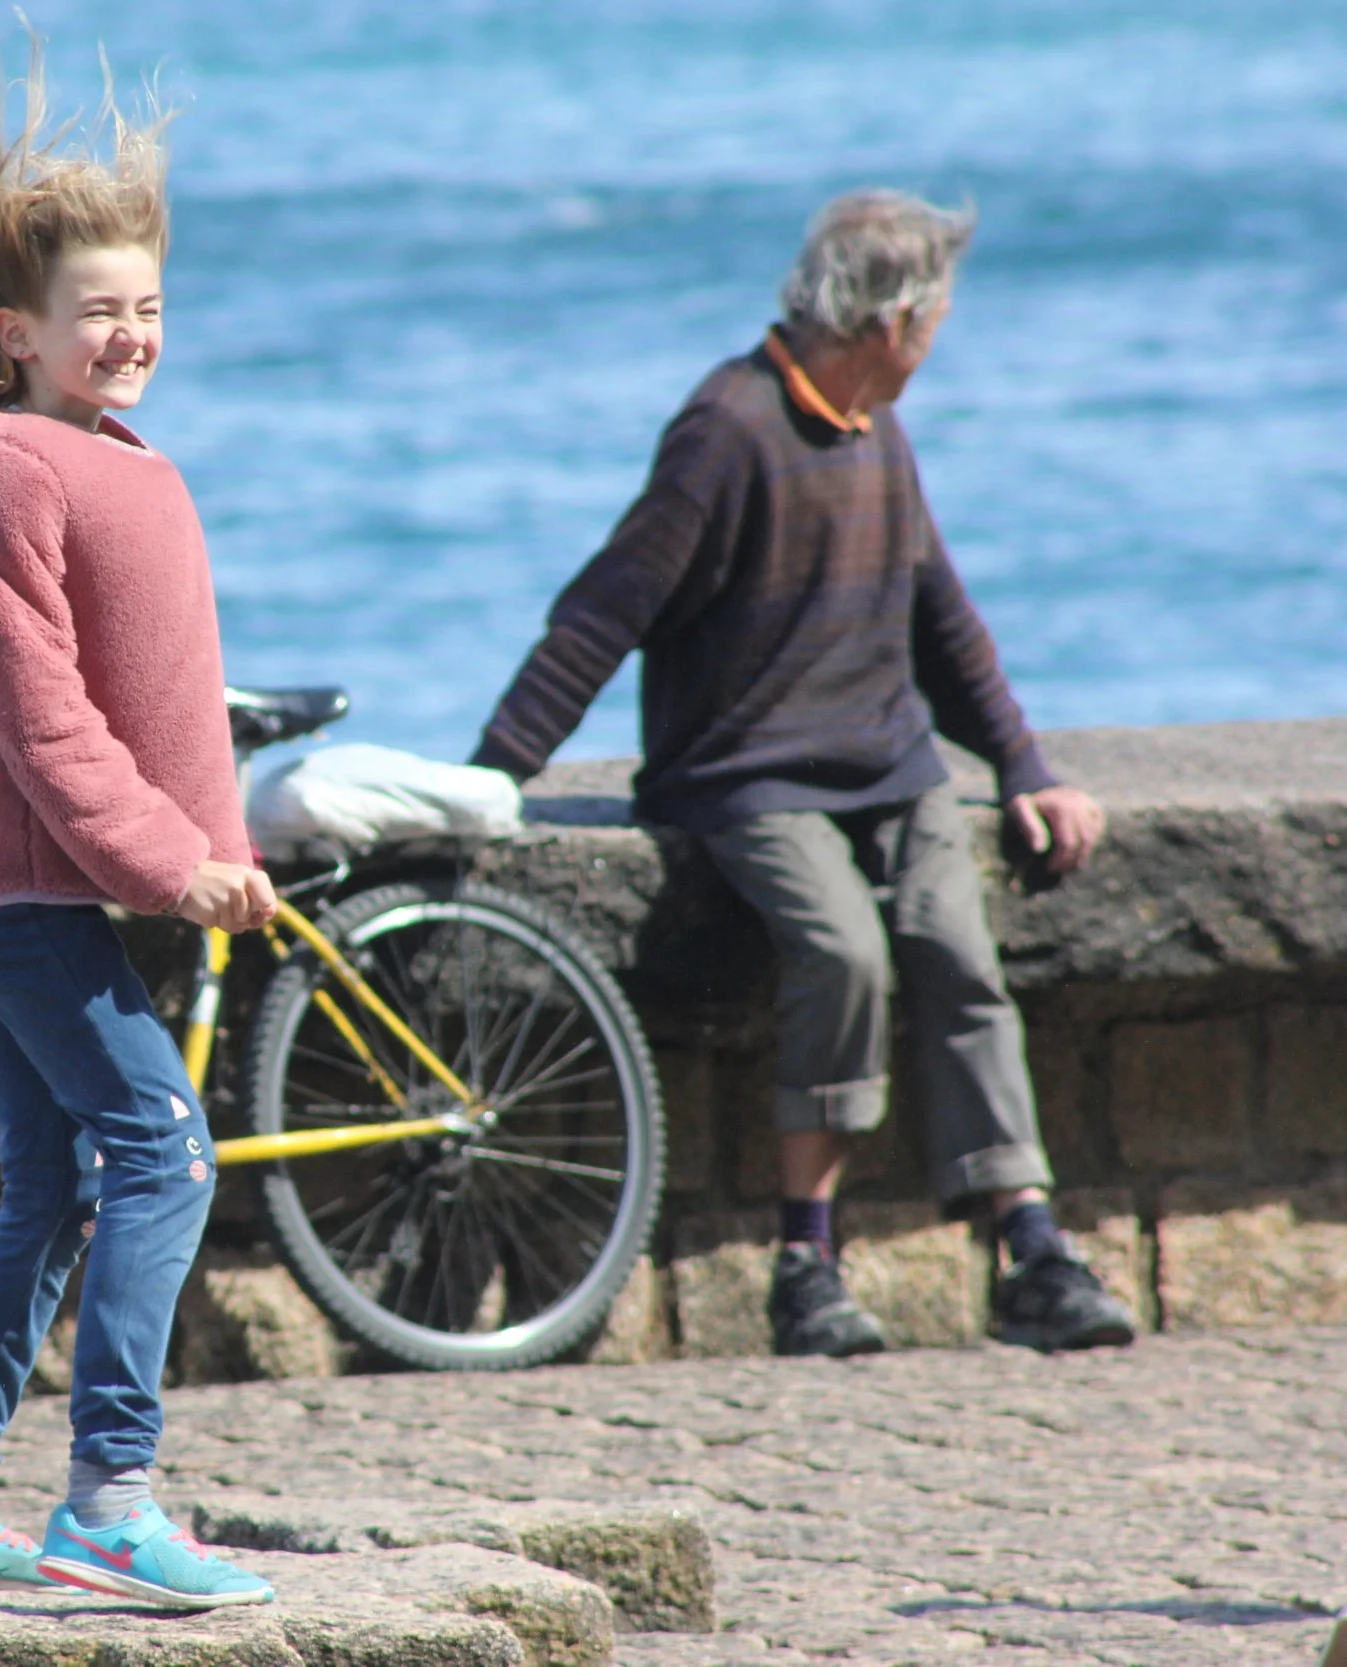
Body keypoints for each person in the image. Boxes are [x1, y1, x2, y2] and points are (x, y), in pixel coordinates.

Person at [471, 190, 1136, 1360]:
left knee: (955, 948)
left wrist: (1024, 763)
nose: (935, 342)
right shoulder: (726, 429)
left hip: (889, 762)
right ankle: (804, 1261)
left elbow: (941, 619)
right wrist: (489, 779)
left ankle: (1027, 1242)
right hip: (745, 773)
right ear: (895, 321)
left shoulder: (878, 427)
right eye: (934, 319)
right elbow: (603, 608)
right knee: (842, 953)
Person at [0, 2, 276, 1610]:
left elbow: (154, 687)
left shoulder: (93, 455)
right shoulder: (1, 467)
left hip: (34, 881)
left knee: (51, 1188)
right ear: (14, 329)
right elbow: (47, 717)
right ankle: (111, 1493)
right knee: (163, 1149)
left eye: (149, 306)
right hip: (17, 882)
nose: (131, 333)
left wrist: (213, 843)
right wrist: (173, 864)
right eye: (97, 312)